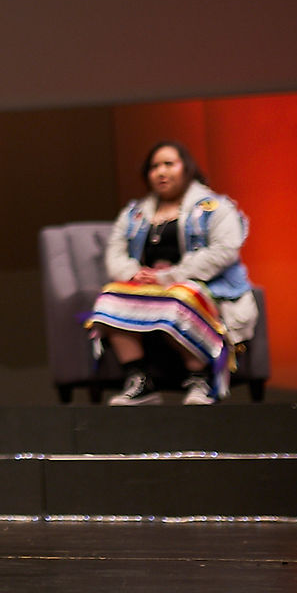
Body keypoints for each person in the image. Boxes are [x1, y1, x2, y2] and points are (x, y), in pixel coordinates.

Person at [87, 142, 256, 406]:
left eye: (169, 164)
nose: (161, 172)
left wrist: (171, 276)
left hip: (204, 287)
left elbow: (225, 251)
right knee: (109, 298)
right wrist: (134, 273)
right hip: (150, 285)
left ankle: (200, 379)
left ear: (186, 168)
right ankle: (139, 380)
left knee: (177, 299)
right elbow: (115, 254)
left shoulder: (216, 207)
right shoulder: (135, 213)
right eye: (154, 167)